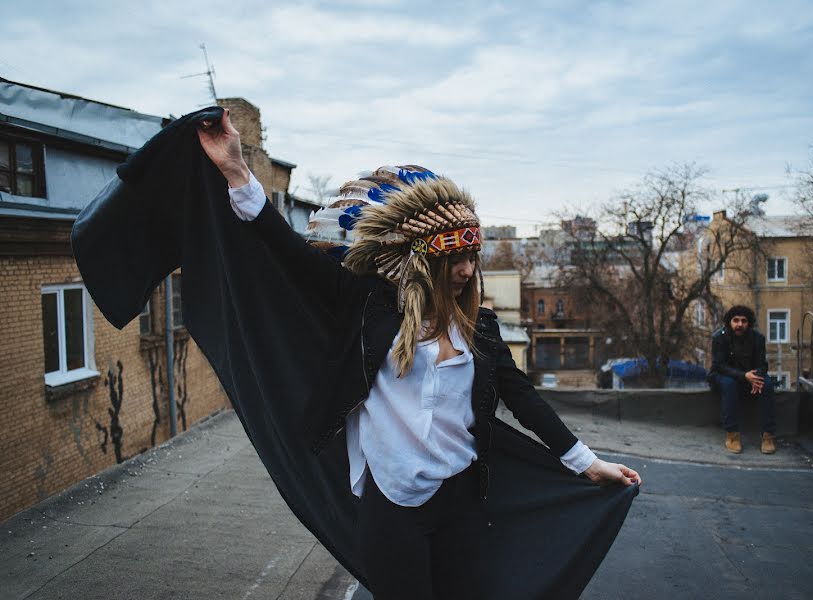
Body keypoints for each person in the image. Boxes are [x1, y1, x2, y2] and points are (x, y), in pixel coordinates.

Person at [72, 106, 640, 600]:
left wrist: (586, 463)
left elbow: (521, 398)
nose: (467, 269)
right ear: (423, 259)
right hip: (392, 506)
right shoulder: (368, 305)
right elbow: (288, 253)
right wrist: (237, 172)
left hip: (462, 498)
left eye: (474, 255)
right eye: (453, 258)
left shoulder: (480, 328)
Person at [709, 305, 776, 454]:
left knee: (767, 384)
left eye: (744, 321)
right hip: (723, 376)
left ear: (749, 323)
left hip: (749, 377)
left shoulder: (758, 338)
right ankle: (732, 434)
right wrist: (744, 376)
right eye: (736, 320)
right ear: (730, 322)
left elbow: (762, 364)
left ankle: (768, 435)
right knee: (730, 384)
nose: (740, 324)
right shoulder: (719, 338)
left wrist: (756, 376)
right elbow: (719, 366)